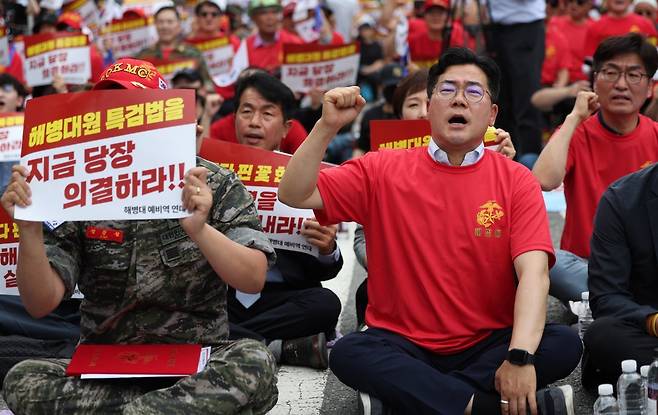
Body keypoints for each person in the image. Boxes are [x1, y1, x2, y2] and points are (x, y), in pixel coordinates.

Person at [278, 47, 582, 415]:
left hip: (488, 342)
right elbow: (294, 193)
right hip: (403, 342)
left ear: (492, 113)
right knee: (349, 353)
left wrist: (518, 359)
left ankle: (409, 398)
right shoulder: (380, 169)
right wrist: (326, 126)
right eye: (447, 89)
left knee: (564, 343)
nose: (459, 99)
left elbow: (534, 274)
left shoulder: (516, 179)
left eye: (474, 91)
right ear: (430, 106)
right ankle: (486, 407)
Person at [0, 58, 278, 414]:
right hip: (104, 365)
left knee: (254, 363)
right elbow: (41, 303)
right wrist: (30, 230)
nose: (119, 120)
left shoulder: (214, 184)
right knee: (23, 379)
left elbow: (253, 278)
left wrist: (199, 229)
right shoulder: (73, 187)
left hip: (196, 362)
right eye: (109, 109)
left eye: (132, 109)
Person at [532, 33, 658, 305]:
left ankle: (614, 303)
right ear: (594, 81)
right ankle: (623, 303)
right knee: (548, 263)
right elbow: (542, 179)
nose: (621, 84)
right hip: (588, 265)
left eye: (634, 75)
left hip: (645, 267)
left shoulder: (656, 135)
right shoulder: (578, 132)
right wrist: (574, 117)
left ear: (649, 87)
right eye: (611, 73)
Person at [229, 72, 343, 369]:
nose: (254, 122)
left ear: (285, 129)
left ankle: (230, 342)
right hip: (223, 296)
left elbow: (327, 268)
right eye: (246, 111)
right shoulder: (210, 173)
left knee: (325, 304)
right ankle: (277, 347)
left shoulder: (303, 178)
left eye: (267, 114)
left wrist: (327, 247)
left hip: (280, 298)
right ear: (234, 119)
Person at [581, 162, 658, 389]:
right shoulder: (622, 200)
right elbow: (606, 296)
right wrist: (652, 321)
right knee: (603, 335)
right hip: (649, 329)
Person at [488, 0, 546, 160]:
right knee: (500, 103)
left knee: (526, 101)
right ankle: (502, 160)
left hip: (524, 26)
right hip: (494, 27)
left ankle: (530, 162)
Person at [136, 6, 213, 89]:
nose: (165, 26)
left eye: (170, 22)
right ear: (155, 25)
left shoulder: (193, 53)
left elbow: (207, 83)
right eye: (160, 22)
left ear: (179, 25)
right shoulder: (143, 56)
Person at [245, 0, 303, 76]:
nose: (270, 18)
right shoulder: (245, 48)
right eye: (263, 13)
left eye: (274, 12)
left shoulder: (295, 43)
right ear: (254, 18)